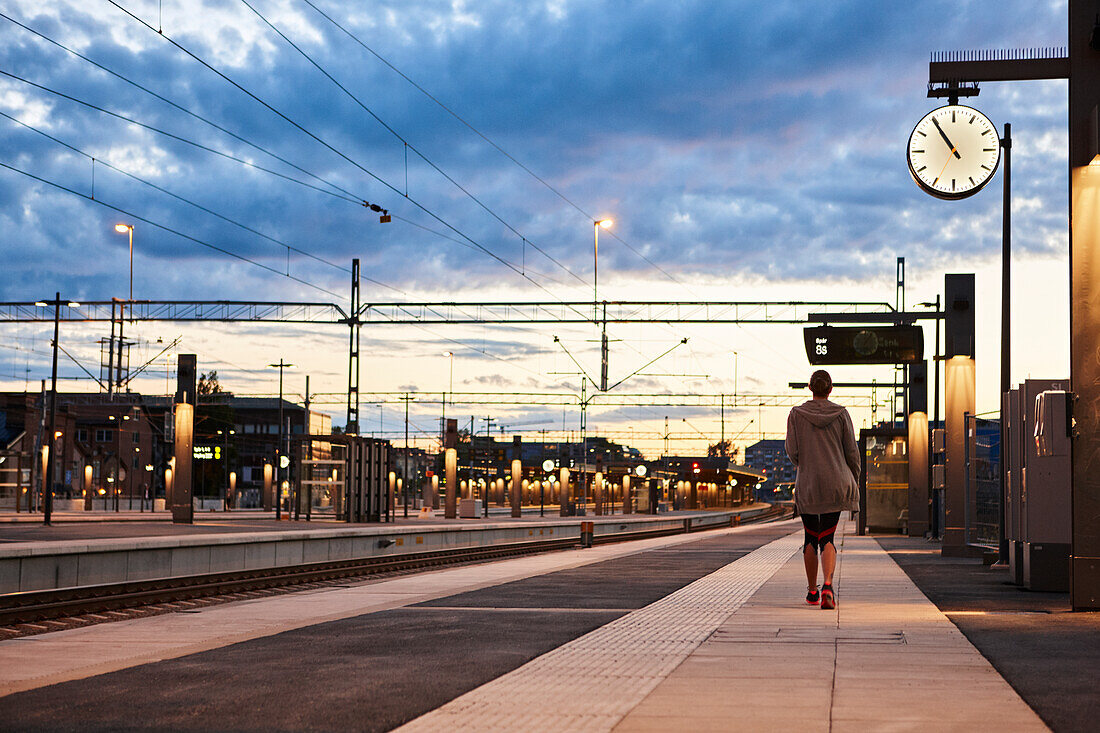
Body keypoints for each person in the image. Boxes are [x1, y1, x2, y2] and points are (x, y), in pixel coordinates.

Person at [785, 369, 860, 610]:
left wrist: (806, 465)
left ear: (810, 388)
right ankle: (828, 584)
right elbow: (851, 452)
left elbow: (792, 451)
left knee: (810, 536)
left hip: (808, 484)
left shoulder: (796, 414)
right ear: (830, 389)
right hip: (836, 483)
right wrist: (853, 478)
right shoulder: (841, 414)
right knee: (828, 536)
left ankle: (812, 591)